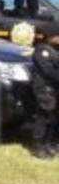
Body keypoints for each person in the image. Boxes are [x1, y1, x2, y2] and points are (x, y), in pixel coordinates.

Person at [30, 22, 59, 158]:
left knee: (53, 118)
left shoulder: (54, 49)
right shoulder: (42, 51)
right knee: (44, 117)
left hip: (54, 88)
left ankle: (49, 143)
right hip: (44, 88)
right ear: (50, 36)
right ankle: (38, 145)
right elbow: (48, 71)